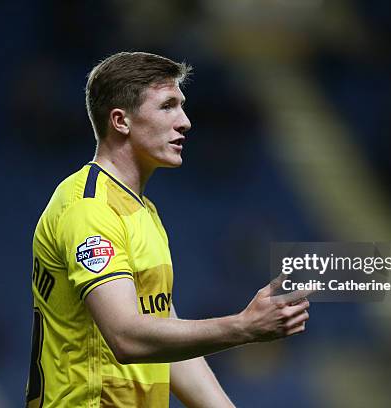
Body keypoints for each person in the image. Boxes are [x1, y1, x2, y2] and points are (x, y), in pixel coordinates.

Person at [26, 51, 310, 408]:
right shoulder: (89, 209)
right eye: (168, 106)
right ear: (121, 121)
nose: (185, 121)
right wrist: (242, 327)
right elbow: (126, 336)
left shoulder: (144, 211)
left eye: (183, 106)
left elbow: (167, 342)